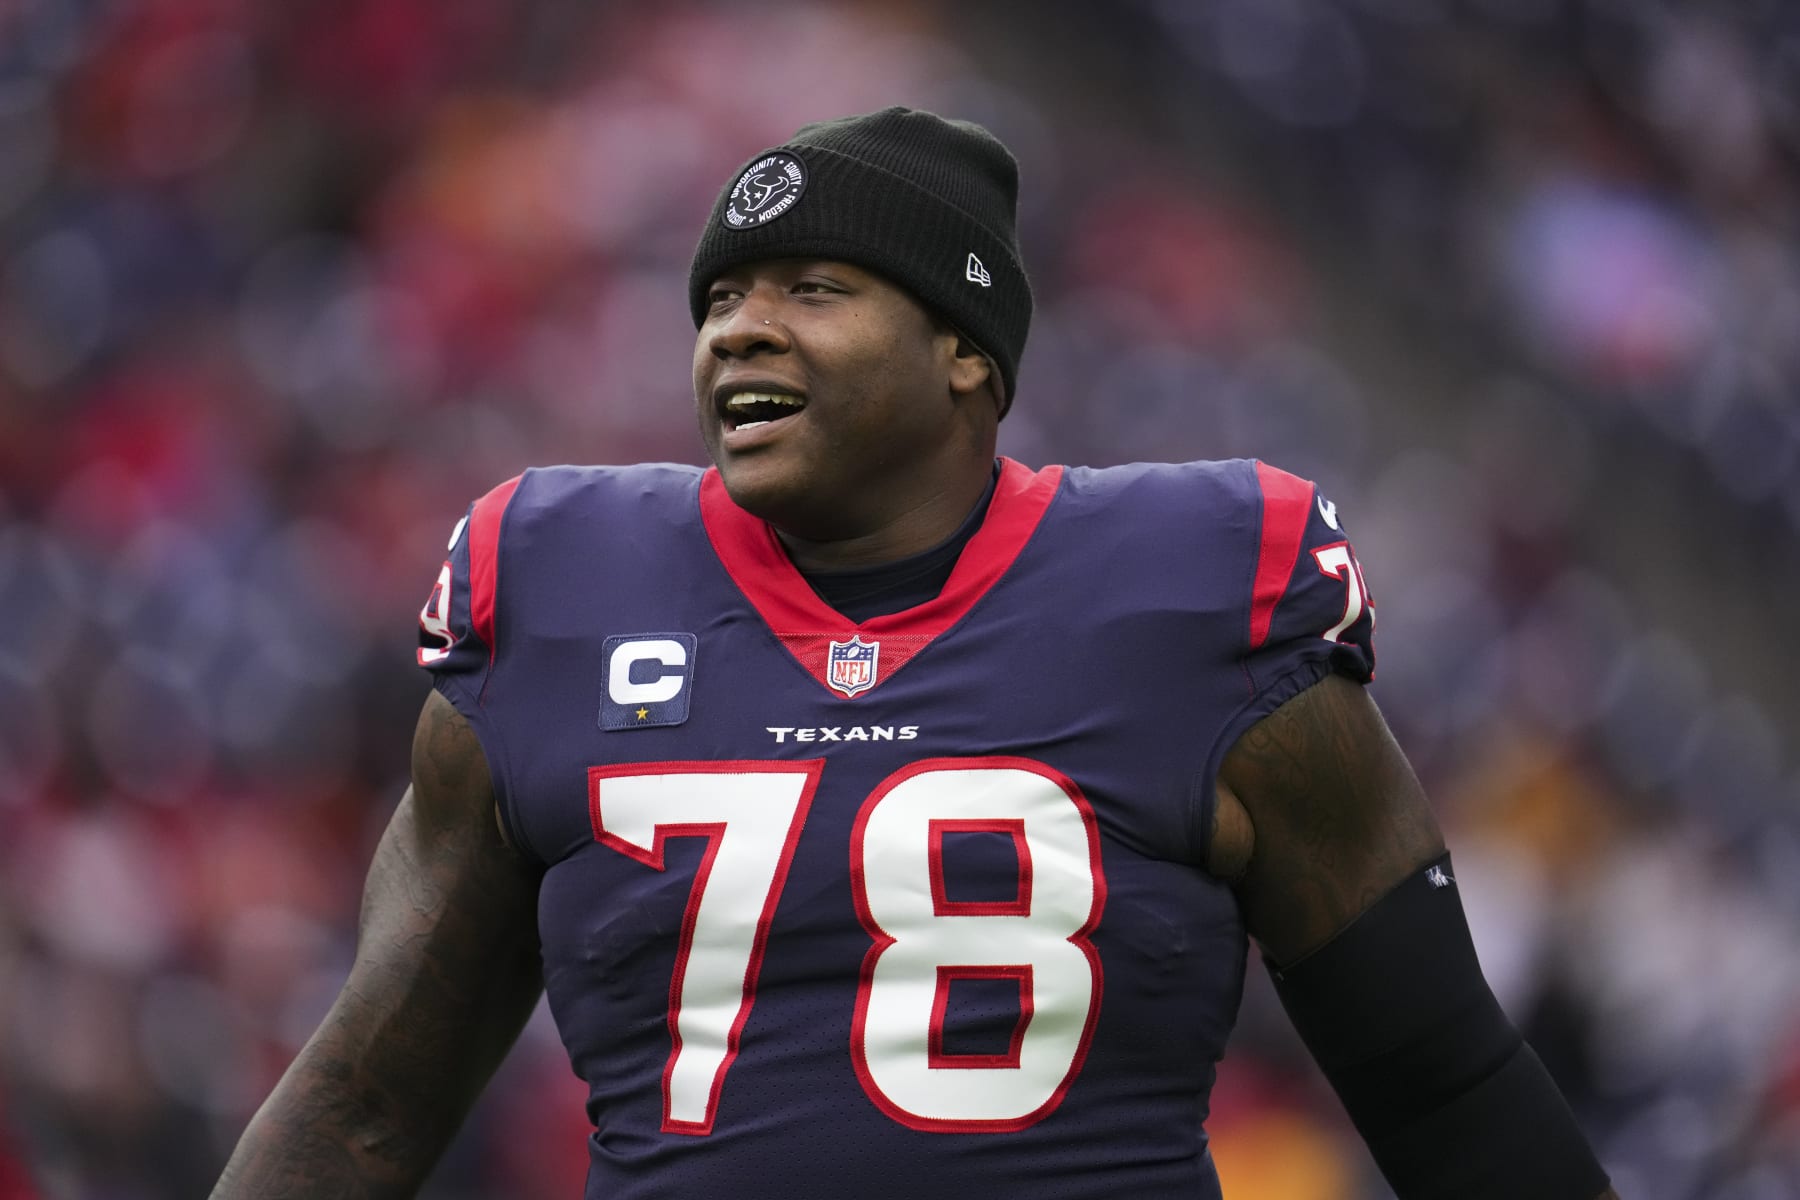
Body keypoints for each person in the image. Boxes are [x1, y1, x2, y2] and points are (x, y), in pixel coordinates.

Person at [211, 107, 1617, 1199]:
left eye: (812, 287)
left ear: (966, 352)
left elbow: (1440, 1082)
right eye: (720, 298)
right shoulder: (556, 587)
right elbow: (366, 1105)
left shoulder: (1198, 595)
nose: (738, 327)